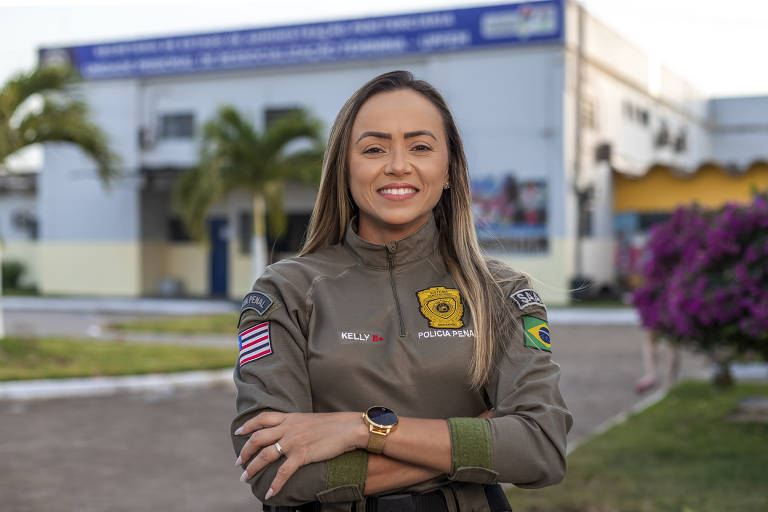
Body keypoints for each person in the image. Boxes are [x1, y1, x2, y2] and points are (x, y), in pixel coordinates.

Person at [231, 70, 572, 512]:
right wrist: (479, 438)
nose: (397, 165)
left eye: (421, 147)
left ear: (448, 170)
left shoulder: (501, 292)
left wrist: (362, 428)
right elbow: (274, 470)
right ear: (344, 167)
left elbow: (541, 447)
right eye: (374, 148)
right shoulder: (285, 292)